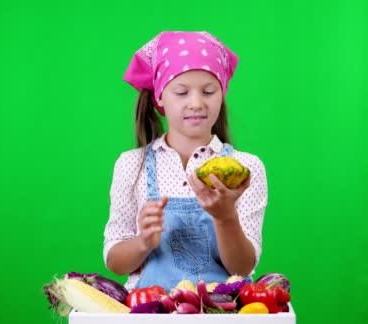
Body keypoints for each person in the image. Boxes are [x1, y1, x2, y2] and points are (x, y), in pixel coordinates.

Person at [103, 31, 268, 292]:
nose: (196, 103)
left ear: (222, 94)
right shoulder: (131, 165)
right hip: (151, 317)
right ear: (159, 97)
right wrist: (143, 242)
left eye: (209, 91)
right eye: (181, 92)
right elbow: (115, 262)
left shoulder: (245, 169)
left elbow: (242, 268)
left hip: (220, 320)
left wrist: (226, 217)